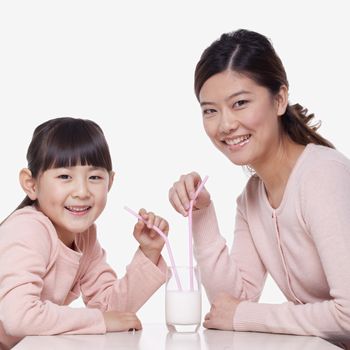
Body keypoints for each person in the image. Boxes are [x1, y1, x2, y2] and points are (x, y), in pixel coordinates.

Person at [168, 29, 350, 348]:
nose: (224, 125)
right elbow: (230, 302)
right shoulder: (252, 197)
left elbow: (348, 316)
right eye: (210, 110)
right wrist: (202, 214)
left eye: (240, 103)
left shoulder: (322, 176)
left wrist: (247, 315)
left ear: (279, 99)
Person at [0, 117, 169, 350]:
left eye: (95, 177)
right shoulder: (28, 228)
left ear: (110, 182)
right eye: (64, 176)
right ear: (31, 184)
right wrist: (99, 321)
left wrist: (149, 252)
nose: (82, 191)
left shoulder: (85, 236)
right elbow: (19, 317)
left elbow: (113, 312)